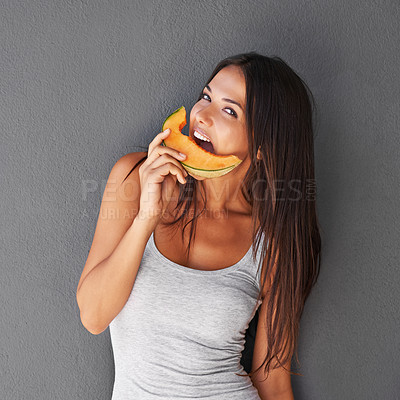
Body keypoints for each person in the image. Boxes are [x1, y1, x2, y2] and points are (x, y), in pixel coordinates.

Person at [76, 51, 322, 399]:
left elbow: (272, 381)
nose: (202, 116)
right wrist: (147, 216)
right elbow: (93, 316)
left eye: (229, 110)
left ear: (264, 147)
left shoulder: (272, 244)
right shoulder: (134, 179)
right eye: (206, 97)